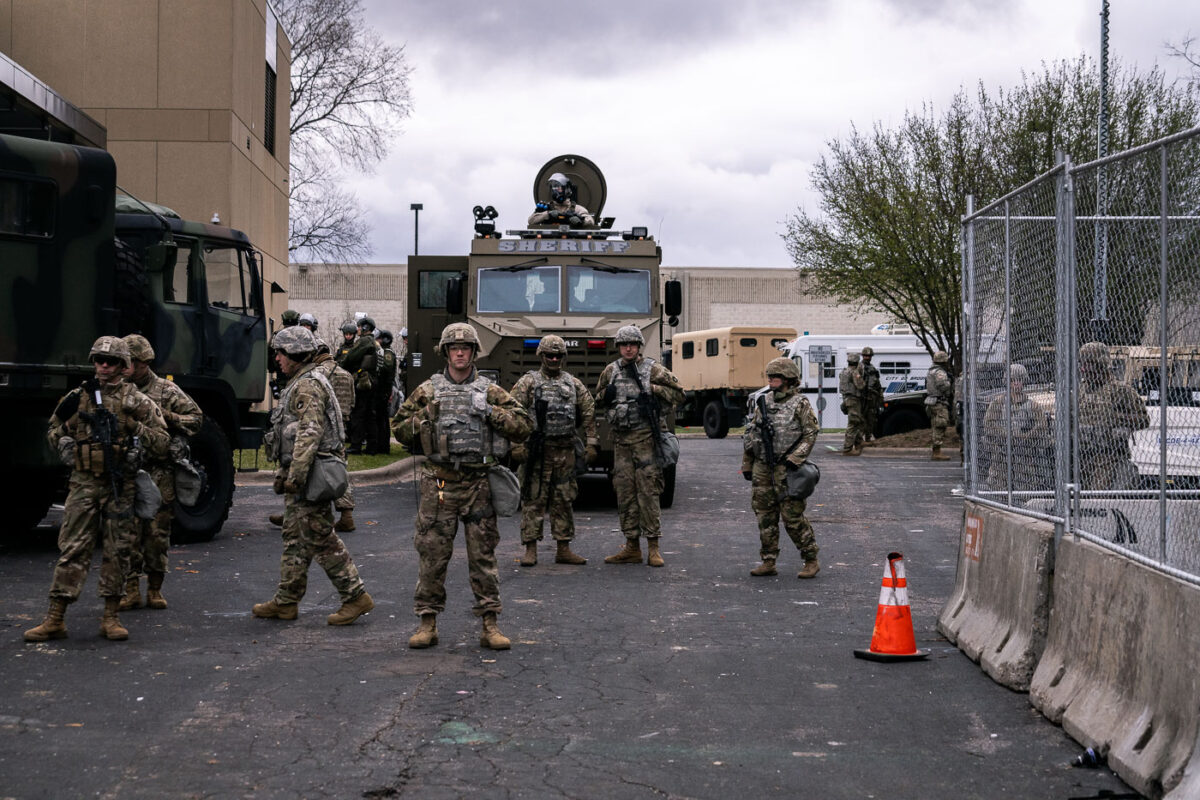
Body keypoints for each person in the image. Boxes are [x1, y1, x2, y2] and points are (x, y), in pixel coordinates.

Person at [391, 323, 533, 650]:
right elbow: (399, 429)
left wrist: (491, 412)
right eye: (454, 348)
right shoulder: (429, 389)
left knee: (483, 556)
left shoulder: (488, 390)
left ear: (473, 352)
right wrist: (423, 417)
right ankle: (427, 622)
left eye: (466, 348)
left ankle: (490, 623)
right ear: (445, 352)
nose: (459, 353)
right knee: (432, 555)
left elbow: (523, 426)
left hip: (478, 483)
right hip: (438, 483)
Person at [25, 336, 169, 642]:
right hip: (84, 483)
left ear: (123, 365)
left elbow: (162, 442)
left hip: (120, 484)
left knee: (119, 551)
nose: (104, 366)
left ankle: (111, 616)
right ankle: (55, 617)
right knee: (72, 548)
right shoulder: (79, 397)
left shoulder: (137, 401)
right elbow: (54, 429)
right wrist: (65, 445)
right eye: (99, 360)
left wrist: (134, 429)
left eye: (111, 361)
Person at [254, 326, 374, 625]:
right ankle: (286, 601)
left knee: (320, 537)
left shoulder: (307, 386)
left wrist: (294, 477)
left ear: (295, 354)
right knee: (294, 537)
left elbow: (309, 433)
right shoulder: (302, 382)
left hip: (311, 476)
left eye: (281, 353)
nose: (277, 359)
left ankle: (355, 595)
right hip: (306, 474)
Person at [117, 334, 204, 612]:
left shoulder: (166, 390)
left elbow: (197, 419)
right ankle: (130, 589)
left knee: (156, 534)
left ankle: (154, 589)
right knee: (127, 533)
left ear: (144, 363)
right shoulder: (116, 389)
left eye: (131, 362)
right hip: (127, 469)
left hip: (158, 470)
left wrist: (168, 417)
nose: (126, 367)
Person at [593, 324, 684, 567]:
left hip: (646, 441)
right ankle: (631, 546)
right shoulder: (611, 371)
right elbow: (597, 398)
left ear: (639, 346)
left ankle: (653, 546)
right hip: (621, 442)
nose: (629, 348)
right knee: (624, 494)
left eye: (632, 344)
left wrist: (653, 391)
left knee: (649, 493)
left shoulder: (653, 370)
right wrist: (607, 395)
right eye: (624, 344)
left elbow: (679, 394)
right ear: (619, 347)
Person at [509, 335, 597, 567]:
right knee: (533, 499)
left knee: (564, 500)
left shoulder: (572, 383)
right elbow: (512, 412)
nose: (554, 359)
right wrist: (516, 445)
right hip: (537, 450)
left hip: (565, 450)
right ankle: (530, 549)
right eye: (550, 355)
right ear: (541, 356)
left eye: (558, 355)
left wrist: (592, 442)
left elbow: (588, 411)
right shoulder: (529, 382)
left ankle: (563, 548)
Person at [742, 358, 821, 578]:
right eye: (769, 377)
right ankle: (768, 561)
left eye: (775, 377)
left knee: (792, 517)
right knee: (764, 516)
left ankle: (810, 559)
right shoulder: (763, 402)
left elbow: (811, 434)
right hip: (763, 467)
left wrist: (796, 458)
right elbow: (751, 434)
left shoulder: (800, 403)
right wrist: (747, 464)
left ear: (787, 379)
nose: (771, 380)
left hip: (787, 468)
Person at [1077, 341, 1150, 490]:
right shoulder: (1081, 390)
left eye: (1089, 363)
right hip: (1081, 454)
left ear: (1101, 364)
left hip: (1109, 456)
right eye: (1082, 363)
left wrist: (1117, 418)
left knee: (1098, 498)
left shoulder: (1120, 391)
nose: (1084, 368)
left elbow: (1144, 420)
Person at [982, 363, 1052, 494]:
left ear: (1024, 381)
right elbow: (989, 424)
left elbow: (1042, 426)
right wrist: (1006, 435)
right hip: (1001, 453)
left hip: (1024, 454)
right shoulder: (998, 403)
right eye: (1012, 380)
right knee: (999, 488)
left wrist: (1026, 436)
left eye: (1019, 380)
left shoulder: (1032, 405)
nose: (1015, 384)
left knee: (1025, 488)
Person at [339, 317, 380, 454]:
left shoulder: (364, 341)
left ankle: (356, 445)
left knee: (358, 414)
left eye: (359, 326)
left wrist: (340, 366)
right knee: (370, 415)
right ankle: (372, 447)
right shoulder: (373, 342)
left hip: (363, 383)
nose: (357, 329)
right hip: (372, 381)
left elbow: (350, 357)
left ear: (365, 328)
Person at [527, 172, 596, 228]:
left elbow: (590, 221)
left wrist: (580, 220)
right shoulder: (547, 208)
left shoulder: (577, 209)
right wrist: (547, 214)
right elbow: (531, 221)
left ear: (566, 190)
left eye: (558, 188)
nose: (555, 191)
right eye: (554, 188)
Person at [926, 351, 954, 461]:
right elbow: (943, 386)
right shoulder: (939, 372)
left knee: (935, 425)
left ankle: (935, 450)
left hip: (932, 401)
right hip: (939, 402)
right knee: (940, 425)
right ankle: (936, 452)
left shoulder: (931, 371)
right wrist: (949, 382)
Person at [374, 329, 399, 455]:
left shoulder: (387, 353)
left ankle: (383, 447)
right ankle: (380, 445)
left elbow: (386, 368)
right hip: (382, 389)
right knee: (380, 418)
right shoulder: (383, 352)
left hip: (384, 389)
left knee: (382, 419)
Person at [838, 352, 866, 455]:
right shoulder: (854, 372)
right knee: (853, 423)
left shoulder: (843, 372)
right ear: (857, 362)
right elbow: (861, 386)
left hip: (846, 399)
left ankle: (859, 443)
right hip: (854, 400)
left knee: (857, 421)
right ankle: (848, 449)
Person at [860, 346, 883, 444]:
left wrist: (880, 397)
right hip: (862, 398)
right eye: (865, 356)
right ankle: (859, 441)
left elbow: (877, 384)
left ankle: (868, 439)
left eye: (869, 356)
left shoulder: (873, 368)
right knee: (860, 420)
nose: (867, 358)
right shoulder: (859, 368)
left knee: (871, 419)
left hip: (872, 398)